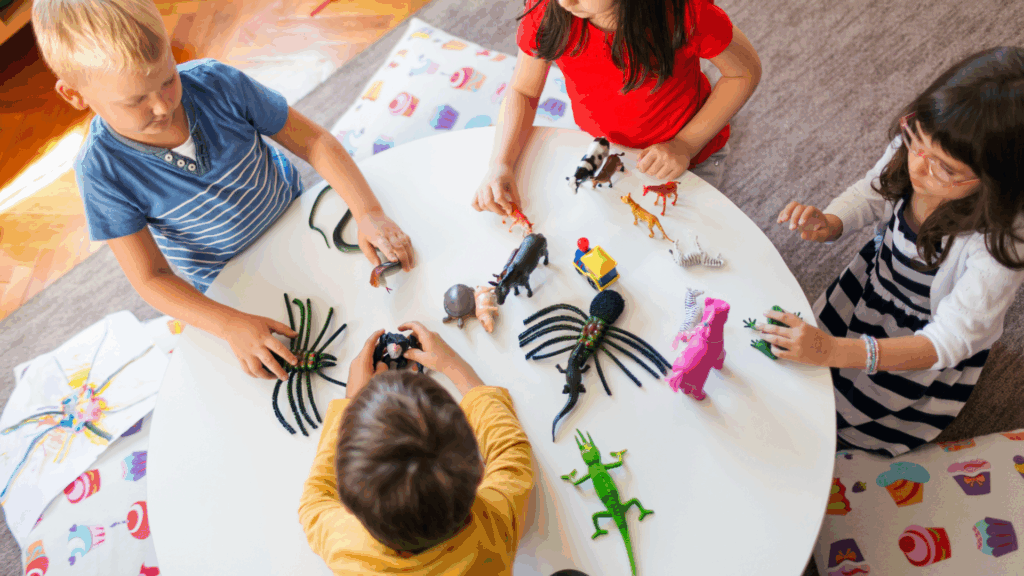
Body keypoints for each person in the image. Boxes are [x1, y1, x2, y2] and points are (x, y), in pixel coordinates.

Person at [32, 0, 415, 380]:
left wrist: (368, 213)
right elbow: (150, 277)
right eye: (135, 101)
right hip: (226, 277)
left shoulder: (218, 82)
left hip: (295, 215)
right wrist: (229, 324)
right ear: (74, 95)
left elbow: (313, 141)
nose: (163, 107)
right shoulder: (100, 171)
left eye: (167, 80)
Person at [768, 46, 1024, 457]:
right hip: (875, 285)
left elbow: (948, 339)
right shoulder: (922, 148)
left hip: (921, 335)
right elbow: (875, 190)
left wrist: (835, 351)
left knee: (850, 416)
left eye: (946, 168)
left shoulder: (999, 243)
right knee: (809, 366)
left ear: (998, 183)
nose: (918, 166)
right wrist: (832, 222)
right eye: (915, 141)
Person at [472, 0, 762, 215]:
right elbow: (523, 91)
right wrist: (501, 162)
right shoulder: (548, 10)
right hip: (606, 151)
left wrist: (686, 144)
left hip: (689, 156)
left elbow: (744, 72)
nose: (566, 1)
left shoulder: (684, 12)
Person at [298, 322, 534, 574]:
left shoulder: (345, 550)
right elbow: (511, 453)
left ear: (347, 507)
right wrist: (454, 368)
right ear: (479, 472)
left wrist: (351, 401)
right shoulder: (491, 532)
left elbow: (314, 501)